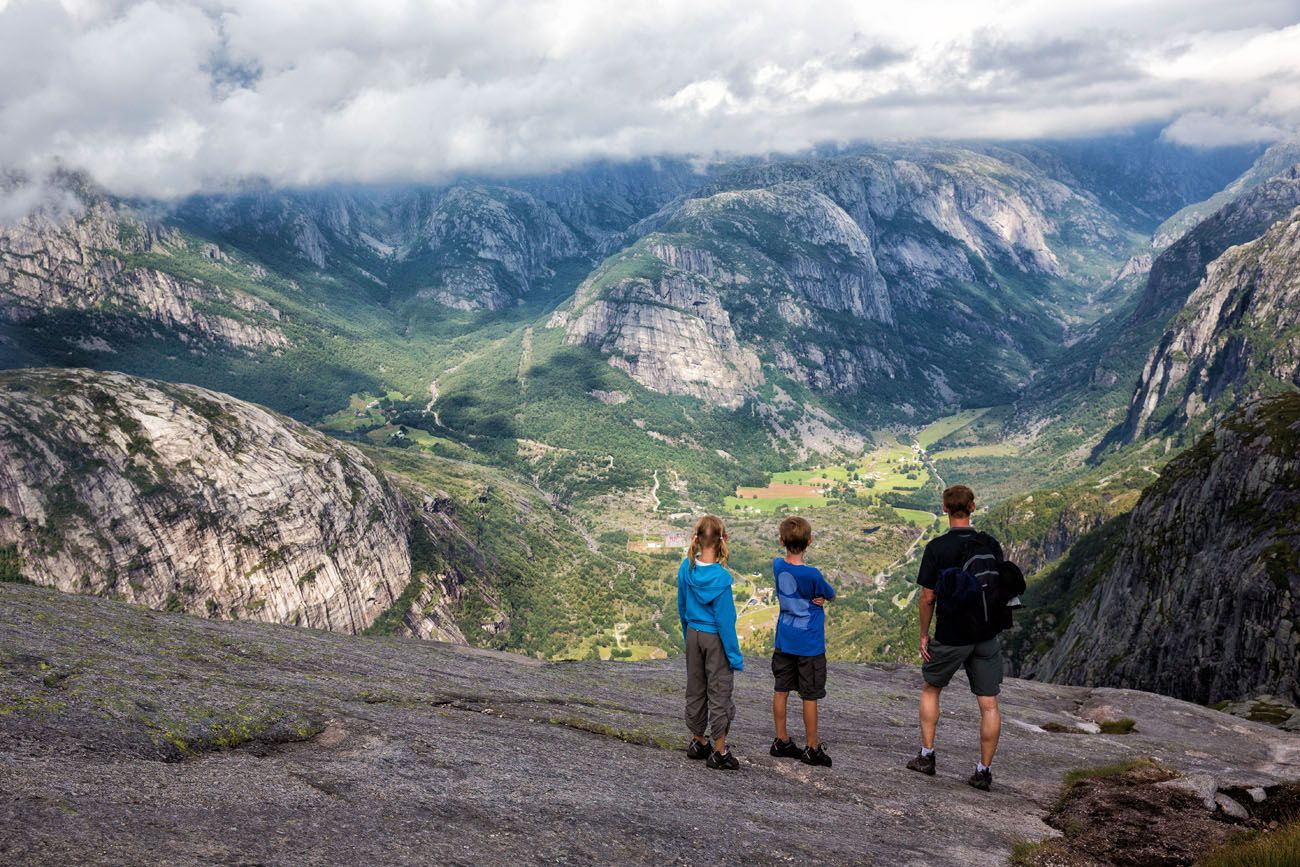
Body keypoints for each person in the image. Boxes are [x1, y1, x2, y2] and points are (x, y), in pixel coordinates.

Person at [906, 484, 1010, 791]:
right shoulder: (990, 544)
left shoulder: (937, 548)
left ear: (945, 510)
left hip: (952, 635)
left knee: (931, 688)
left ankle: (927, 756)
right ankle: (983, 771)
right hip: (986, 632)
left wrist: (924, 635)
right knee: (989, 704)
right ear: (973, 507)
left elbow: (927, 598)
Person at [677, 514, 744, 770]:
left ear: (695, 538)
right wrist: (734, 657)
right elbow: (726, 622)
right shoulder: (721, 579)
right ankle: (719, 751)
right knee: (719, 691)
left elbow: (682, 605)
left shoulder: (687, 568)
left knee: (695, 688)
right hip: (714, 637)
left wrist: (688, 635)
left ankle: (697, 741)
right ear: (723, 539)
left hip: (693, 633)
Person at [769, 516, 836, 767]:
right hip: (809, 644)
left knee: (781, 689)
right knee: (809, 696)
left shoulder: (777, 565)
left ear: (781, 540)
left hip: (784, 640)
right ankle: (811, 748)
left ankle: (781, 739)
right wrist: (818, 598)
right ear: (810, 541)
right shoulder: (813, 574)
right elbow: (830, 594)